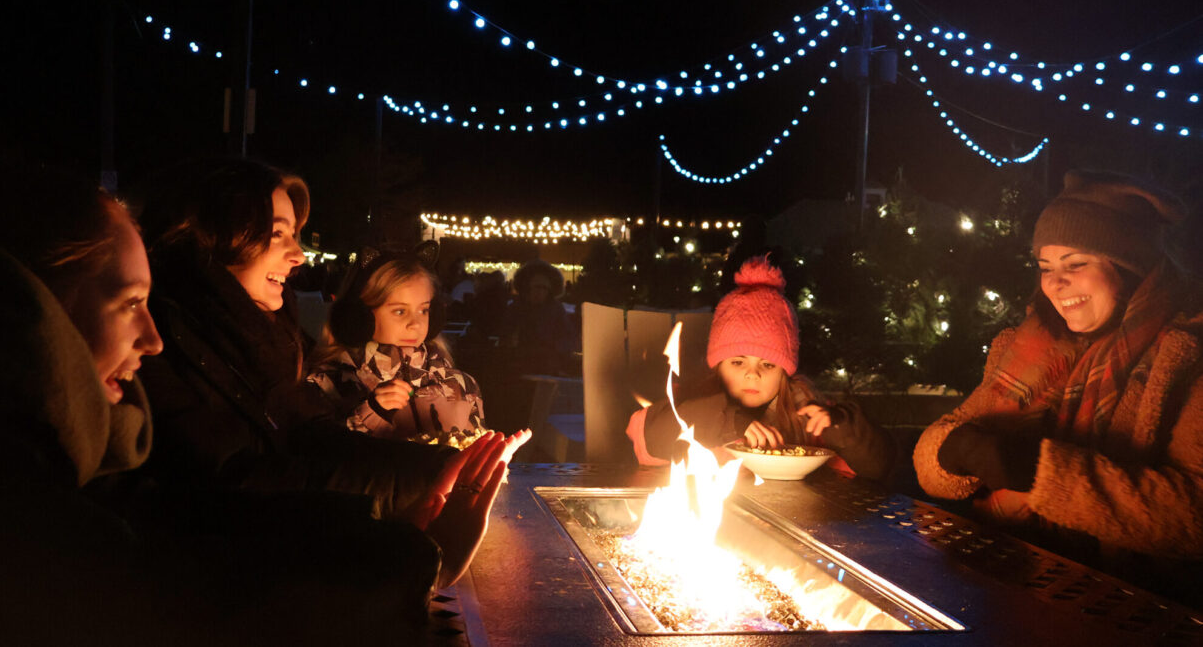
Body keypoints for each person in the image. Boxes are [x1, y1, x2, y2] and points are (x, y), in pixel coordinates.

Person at [0, 167, 525, 643]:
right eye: (278, 234)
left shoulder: (262, 340)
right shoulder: (173, 358)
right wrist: (402, 550)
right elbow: (193, 544)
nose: (298, 254)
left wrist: (433, 478)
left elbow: (302, 445)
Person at [135, 158, 522, 520]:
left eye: (295, 234)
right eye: (277, 234)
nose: (298, 255)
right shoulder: (159, 344)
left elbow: (316, 440)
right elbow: (240, 481)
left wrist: (446, 467)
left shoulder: (276, 341)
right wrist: (422, 480)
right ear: (216, 237)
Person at [913, 171, 1203, 602]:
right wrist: (955, 450)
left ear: (1131, 266)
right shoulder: (1027, 348)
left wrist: (1043, 473)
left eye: (1076, 264)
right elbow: (934, 459)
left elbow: (1190, 520)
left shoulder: (1184, 356)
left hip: (1132, 603)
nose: (1054, 284)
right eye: (1045, 267)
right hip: (1012, 583)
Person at [632, 256, 896, 482]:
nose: (752, 374)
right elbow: (647, 435)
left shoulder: (804, 414)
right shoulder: (690, 406)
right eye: (738, 362)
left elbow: (878, 467)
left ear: (784, 372)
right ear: (717, 366)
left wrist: (841, 428)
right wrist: (731, 422)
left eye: (768, 364)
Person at [305, 244, 486, 440]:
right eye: (400, 311)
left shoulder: (460, 385)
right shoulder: (326, 385)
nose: (415, 324)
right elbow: (324, 461)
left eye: (424, 310)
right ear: (359, 316)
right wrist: (372, 414)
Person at [504, 259, 579, 375]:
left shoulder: (556, 309)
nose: (539, 291)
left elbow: (568, 336)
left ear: (549, 290)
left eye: (544, 288)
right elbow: (505, 334)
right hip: (519, 365)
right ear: (528, 288)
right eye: (536, 287)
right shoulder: (516, 307)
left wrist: (553, 348)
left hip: (548, 365)